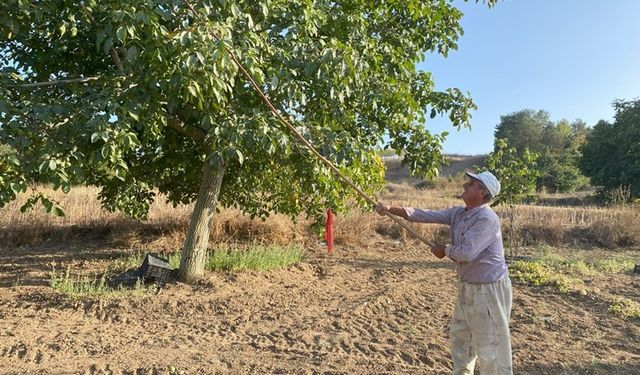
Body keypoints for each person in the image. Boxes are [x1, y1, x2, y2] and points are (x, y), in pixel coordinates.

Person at [376, 171, 513, 375]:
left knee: (490, 348)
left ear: (483, 192)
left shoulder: (486, 219)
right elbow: (425, 214)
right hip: (468, 286)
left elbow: (466, 253)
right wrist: (390, 209)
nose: (466, 185)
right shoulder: (460, 213)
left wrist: (444, 250)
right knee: (462, 340)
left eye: (472, 184)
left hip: (488, 290)